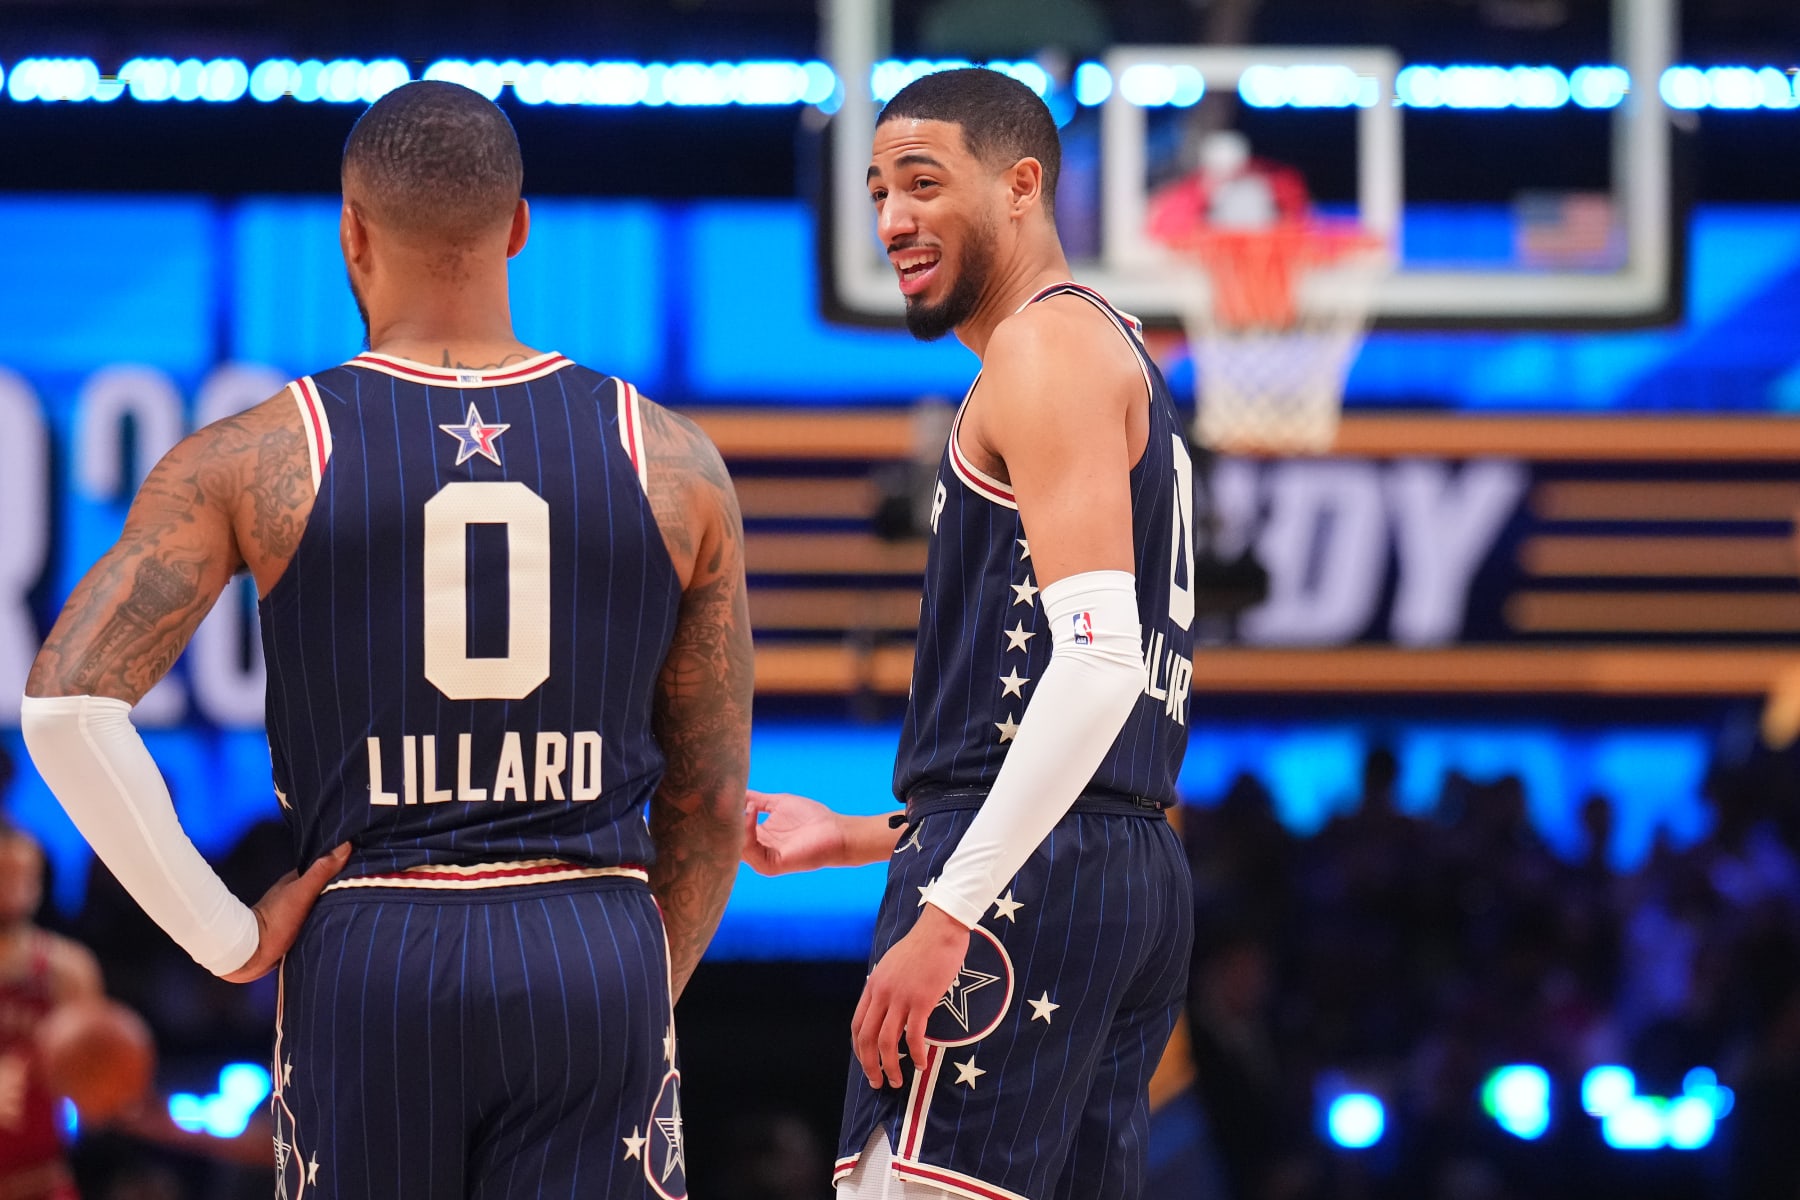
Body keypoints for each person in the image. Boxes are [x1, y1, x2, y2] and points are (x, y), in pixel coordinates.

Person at [21, 80, 751, 1199]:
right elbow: (707, 794)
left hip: (369, 935)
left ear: (349, 233)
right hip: (591, 931)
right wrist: (640, 980)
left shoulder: (257, 454)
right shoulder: (673, 458)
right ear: (517, 225)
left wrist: (227, 937)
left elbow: (69, 710)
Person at [746, 67, 1196, 1199]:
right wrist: (863, 837)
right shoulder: (1099, 353)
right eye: (877, 192)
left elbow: (1096, 670)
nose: (892, 218)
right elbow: (1071, 713)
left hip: (1020, 891)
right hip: (1109, 868)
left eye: (923, 184)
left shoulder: (1044, 354)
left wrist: (951, 905)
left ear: (1021, 187)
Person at [0, 817, 102, 1200]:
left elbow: (94, 1097)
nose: (16, 888)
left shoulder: (69, 968)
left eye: (25, 876)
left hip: (42, 1182)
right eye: (5, 875)